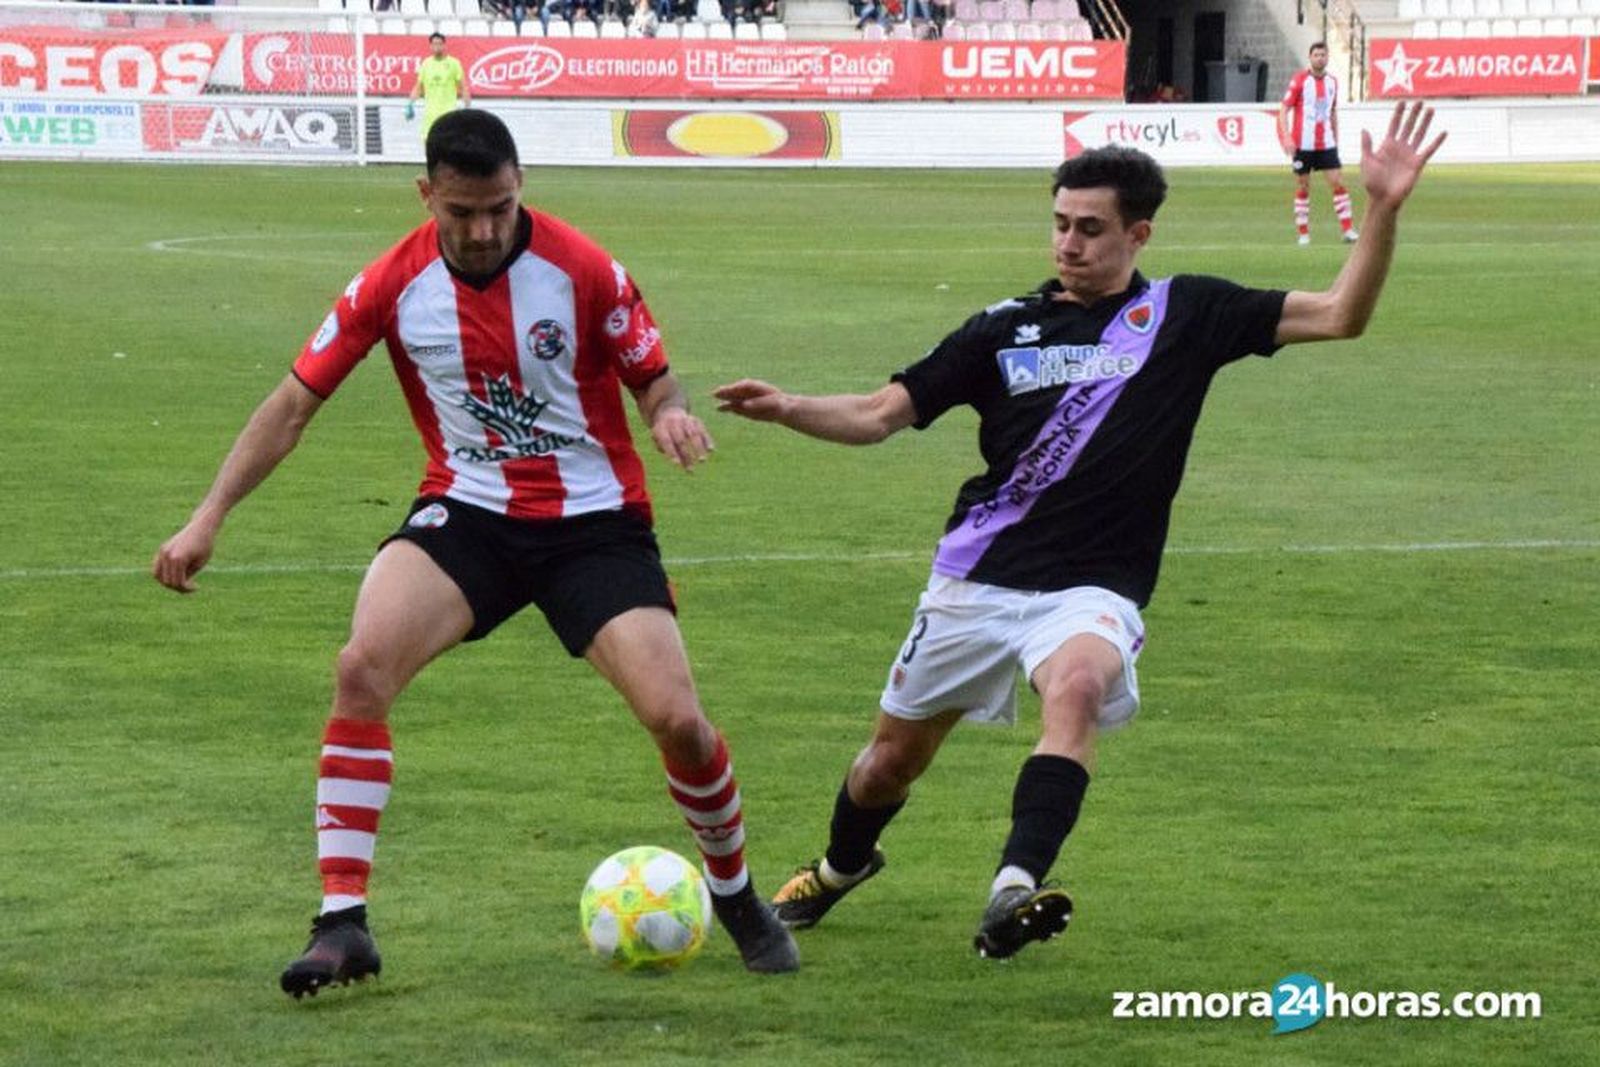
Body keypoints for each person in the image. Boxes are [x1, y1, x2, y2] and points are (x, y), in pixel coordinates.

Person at [713, 101, 1444, 960]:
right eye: (1059, 224)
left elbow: (1340, 314)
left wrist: (1384, 211)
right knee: (886, 765)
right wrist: (788, 406)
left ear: (1138, 235)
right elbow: (880, 414)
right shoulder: (1001, 327)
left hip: (1093, 586)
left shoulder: (1187, 312)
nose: (1068, 243)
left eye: (1090, 228)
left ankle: (1012, 888)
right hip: (977, 577)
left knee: (1078, 690)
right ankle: (839, 868)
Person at [152, 109, 799, 997]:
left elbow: (653, 373)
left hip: (594, 523)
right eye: (463, 211)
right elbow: (292, 405)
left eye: (500, 206)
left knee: (678, 720)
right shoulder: (390, 284)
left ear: (520, 184)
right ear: (428, 196)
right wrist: (207, 516)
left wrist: (669, 412)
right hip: (470, 512)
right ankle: (342, 922)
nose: (486, 229)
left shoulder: (581, 268)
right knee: (360, 668)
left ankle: (734, 894)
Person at [1278, 41, 1355, 246]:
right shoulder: (1299, 81)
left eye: (1323, 55)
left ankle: (1347, 230)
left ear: (1327, 57)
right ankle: (1303, 233)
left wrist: (1335, 140)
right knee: (1303, 186)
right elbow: (1284, 109)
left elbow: (1331, 112)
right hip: (1303, 145)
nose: (1320, 58)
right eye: (1316, 55)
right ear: (1310, 58)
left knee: (1338, 182)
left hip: (1326, 143)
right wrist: (1286, 136)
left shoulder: (1332, 82)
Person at [407, 33, 469, 144]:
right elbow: (418, 87)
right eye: (434, 44)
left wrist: (467, 109)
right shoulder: (426, 64)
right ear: (430, 46)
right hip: (430, 115)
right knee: (428, 145)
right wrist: (410, 104)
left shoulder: (454, 64)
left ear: (444, 45)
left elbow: (464, 87)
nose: (437, 46)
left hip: (448, 114)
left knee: (448, 146)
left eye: (440, 44)